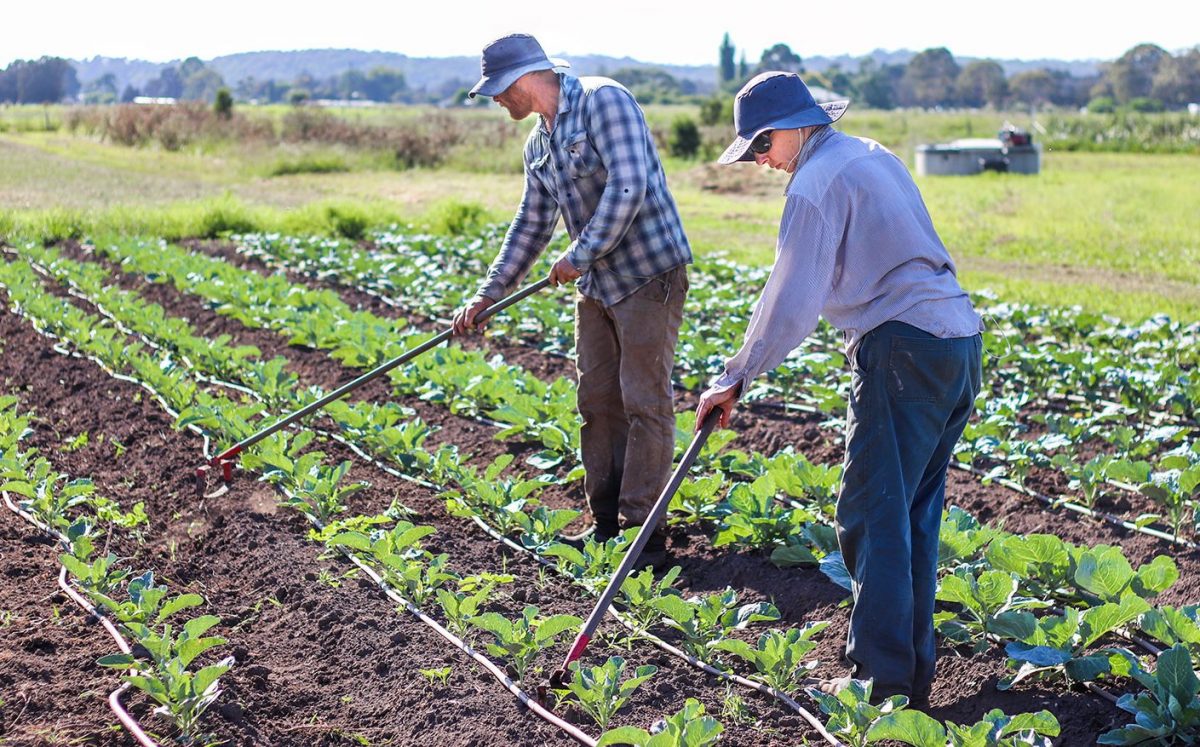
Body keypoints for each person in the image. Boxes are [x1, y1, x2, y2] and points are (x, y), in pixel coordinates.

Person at [695, 71, 983, 708]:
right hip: (957, 340)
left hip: (902, 349)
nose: (764, 163)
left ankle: (879, 682)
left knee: (870, 515)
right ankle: (906, 677)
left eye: (763, 147)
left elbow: (791, 299)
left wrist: (736, 374)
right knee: (910, 515)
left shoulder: (814, 185)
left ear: (793, 130)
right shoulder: (871, 154)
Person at [452, 34, 692, 568]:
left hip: (649, 273)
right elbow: (531, 225)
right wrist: (488, 293)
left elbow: (629, 186)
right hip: (598, 285)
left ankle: (643, 533)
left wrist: (580, 254)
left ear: (524, 79)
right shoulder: (538, 144)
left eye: (497, 91)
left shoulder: (605, 101)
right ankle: (606, 522)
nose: (496, 101)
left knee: (643, 400)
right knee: (596, 402)